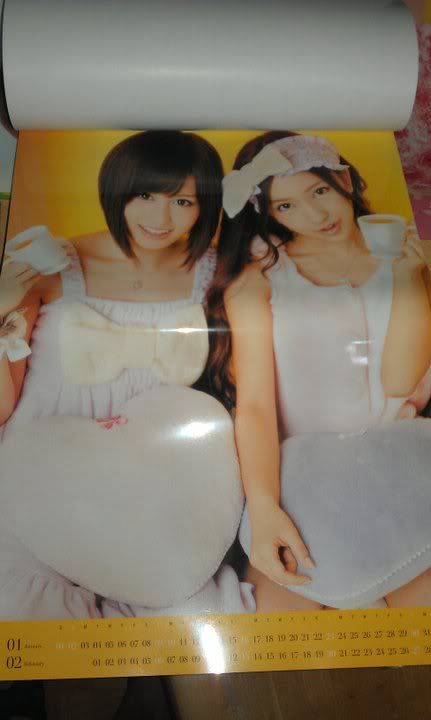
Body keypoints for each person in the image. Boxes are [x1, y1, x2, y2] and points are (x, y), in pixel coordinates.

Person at [0, 130, 252, 619]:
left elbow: (249, 385)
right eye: (145, 196)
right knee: (27, 609)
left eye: (182, 201)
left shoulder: (220, 274)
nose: (161, 218)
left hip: (159, 479)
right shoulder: (47, 264)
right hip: (42, 470)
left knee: (195, 613)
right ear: (116, 190)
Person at [207, 130, 431, 611]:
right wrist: (264, 509)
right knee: (281, 630)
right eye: (286, 206)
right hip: (303, 482)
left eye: (320, 191)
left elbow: (400, 381)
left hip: (400, 466)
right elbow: (255, 406)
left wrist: (410, 281)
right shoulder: (259, 278)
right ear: (268, 214)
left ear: (344, 180)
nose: (314, 215)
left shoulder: (411, 258)